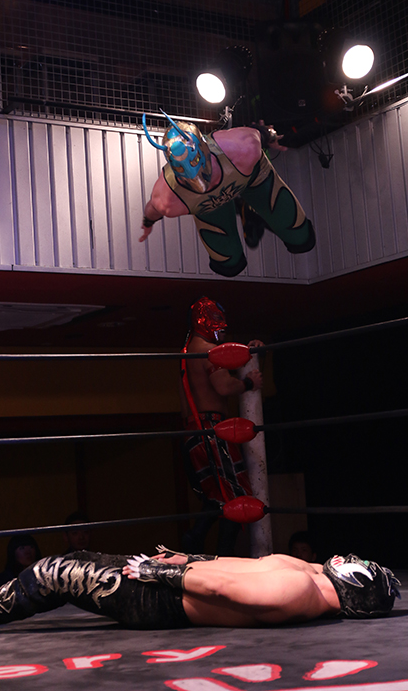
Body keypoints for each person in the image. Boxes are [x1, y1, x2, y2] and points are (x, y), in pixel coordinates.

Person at [0, 550, 400, 636]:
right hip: (169, 582)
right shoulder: (310, 574)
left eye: (358, 565)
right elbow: (242, 566)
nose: (347, 557)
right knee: (76, 557)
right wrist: (187, 558)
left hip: (159, 599)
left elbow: (222, 587)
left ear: (355, 584)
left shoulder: (298, 590)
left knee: (53, 573)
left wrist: (159, 572)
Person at [140, 112, 315, 277]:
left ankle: (245, 204)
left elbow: (260, 134)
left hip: (251, 179)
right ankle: (242, 205)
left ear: (205, 148)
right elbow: (153, 209)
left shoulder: (241, 147)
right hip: (210, 203)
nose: (198, 181)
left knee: (300, 236)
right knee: (228, 263)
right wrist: (148, 222)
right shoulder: (167, 198)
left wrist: (270, 135)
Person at [179, 296, 263, 556]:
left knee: (217, 494)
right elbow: (224, 386)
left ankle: (196, 541)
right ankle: (223, 553)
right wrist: (248, 383)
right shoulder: (208, 350)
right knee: (236, 495)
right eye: (218, 323)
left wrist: (248, 352)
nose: (223, 329)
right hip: (211, 429)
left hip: (195, 430)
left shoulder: (188, 350)